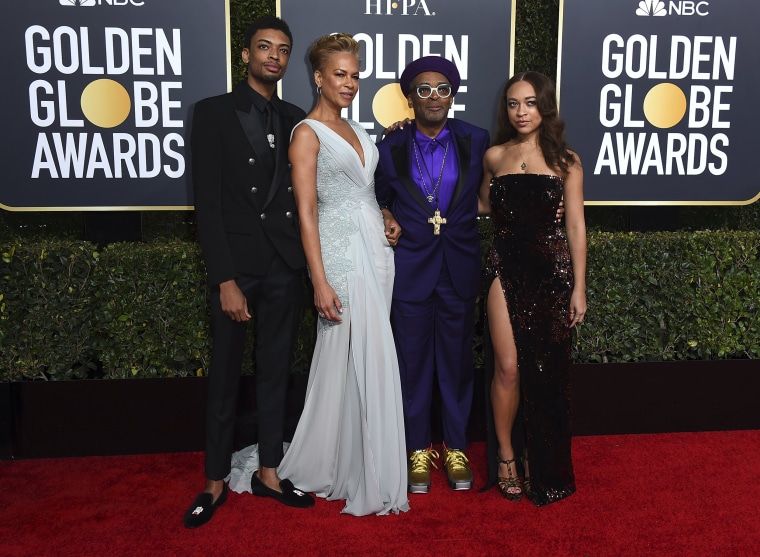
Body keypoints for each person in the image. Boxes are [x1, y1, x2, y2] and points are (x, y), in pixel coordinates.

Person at [184, 15, 315, 529]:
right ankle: (214, 483)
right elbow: (208, 206)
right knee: (224, 377)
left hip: (284, 266)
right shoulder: (213, 113)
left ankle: (268, 473)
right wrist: (225, 279)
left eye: (282, 50)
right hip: (238, 269)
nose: (274, 57)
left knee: (276, 374)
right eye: (264, 48)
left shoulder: (295, 115)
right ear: (245, 55)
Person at [276, 33, 409, 516]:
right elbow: (306, 211)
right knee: (347, 354)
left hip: (376, 250)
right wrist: (319, 280)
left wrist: (386, 215)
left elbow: (364, 192)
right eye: (340, 74)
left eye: (355, 75)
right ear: (318, 77)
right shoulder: (307, 133)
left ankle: (352, 456)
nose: (350, 83)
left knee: (370, 353)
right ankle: (350, 465)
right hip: (339, 257)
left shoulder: (359, 130)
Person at [374, 56, 490, 494]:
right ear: (409, 98)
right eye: (423, 89)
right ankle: (417, 451)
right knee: (412, 365)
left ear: (453, 93)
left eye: (442, 88)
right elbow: (376, 198)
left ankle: (456, 448)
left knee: (458, 365)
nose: (434, 96)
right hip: (410, 271)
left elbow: (499, 190)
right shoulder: (390, 147)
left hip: (458, 268)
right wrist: (387, 213)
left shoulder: (476, 140)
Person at [479, 71, 587, 506]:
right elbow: (482, 205)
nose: (520, 112)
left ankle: (541, 463)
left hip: (553, 273)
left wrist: (579, 287)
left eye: (529, 103)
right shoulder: (494, 156)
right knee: (507, 367)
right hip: (505, 266)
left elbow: (577, 226)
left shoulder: (567, 162)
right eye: (512, 103)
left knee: (546, 373)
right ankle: (506, 457)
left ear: (544, 107)